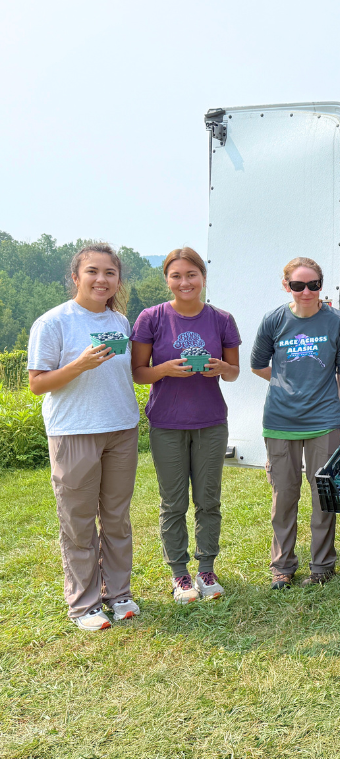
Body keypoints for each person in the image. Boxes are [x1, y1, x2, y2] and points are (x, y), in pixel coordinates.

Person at [27, 243, 141, 631]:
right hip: (74, 431)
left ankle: (118, 592)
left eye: (110, 273)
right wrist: (78, 365)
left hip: (122, 429)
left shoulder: (121, 321)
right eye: (92, 271)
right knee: (77, 521)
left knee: (116, 517)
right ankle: (84, 603)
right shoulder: (53, 323)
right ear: (75, 277)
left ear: (117, 280)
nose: (101, 279)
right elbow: (37, 384)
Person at [131, 248, 241, 604]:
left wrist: (219, 368)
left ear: (203, 277)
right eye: (176, 276)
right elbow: (138, 373)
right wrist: (165, 369)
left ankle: (206, 569)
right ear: (167, 279)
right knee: (173, 503)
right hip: (166, 423)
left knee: (209, 500)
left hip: (210, 422)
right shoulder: (151, 317)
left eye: (191, 274)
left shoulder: (222, 319)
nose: (184, 282)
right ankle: (180, 574)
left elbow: (234, 372)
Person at [251, 257, 340, 590]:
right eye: (298, 285)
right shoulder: (274, 320)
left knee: (322, 492)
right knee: (284, 495)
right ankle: (282, 565)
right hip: (280, 420)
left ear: (321, 286)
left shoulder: (337, 322)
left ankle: (322, 565)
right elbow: (257, 365)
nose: (306, 291)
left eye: (313, 285)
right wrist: (285, 382)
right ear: (287, 287)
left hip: (325, 419)